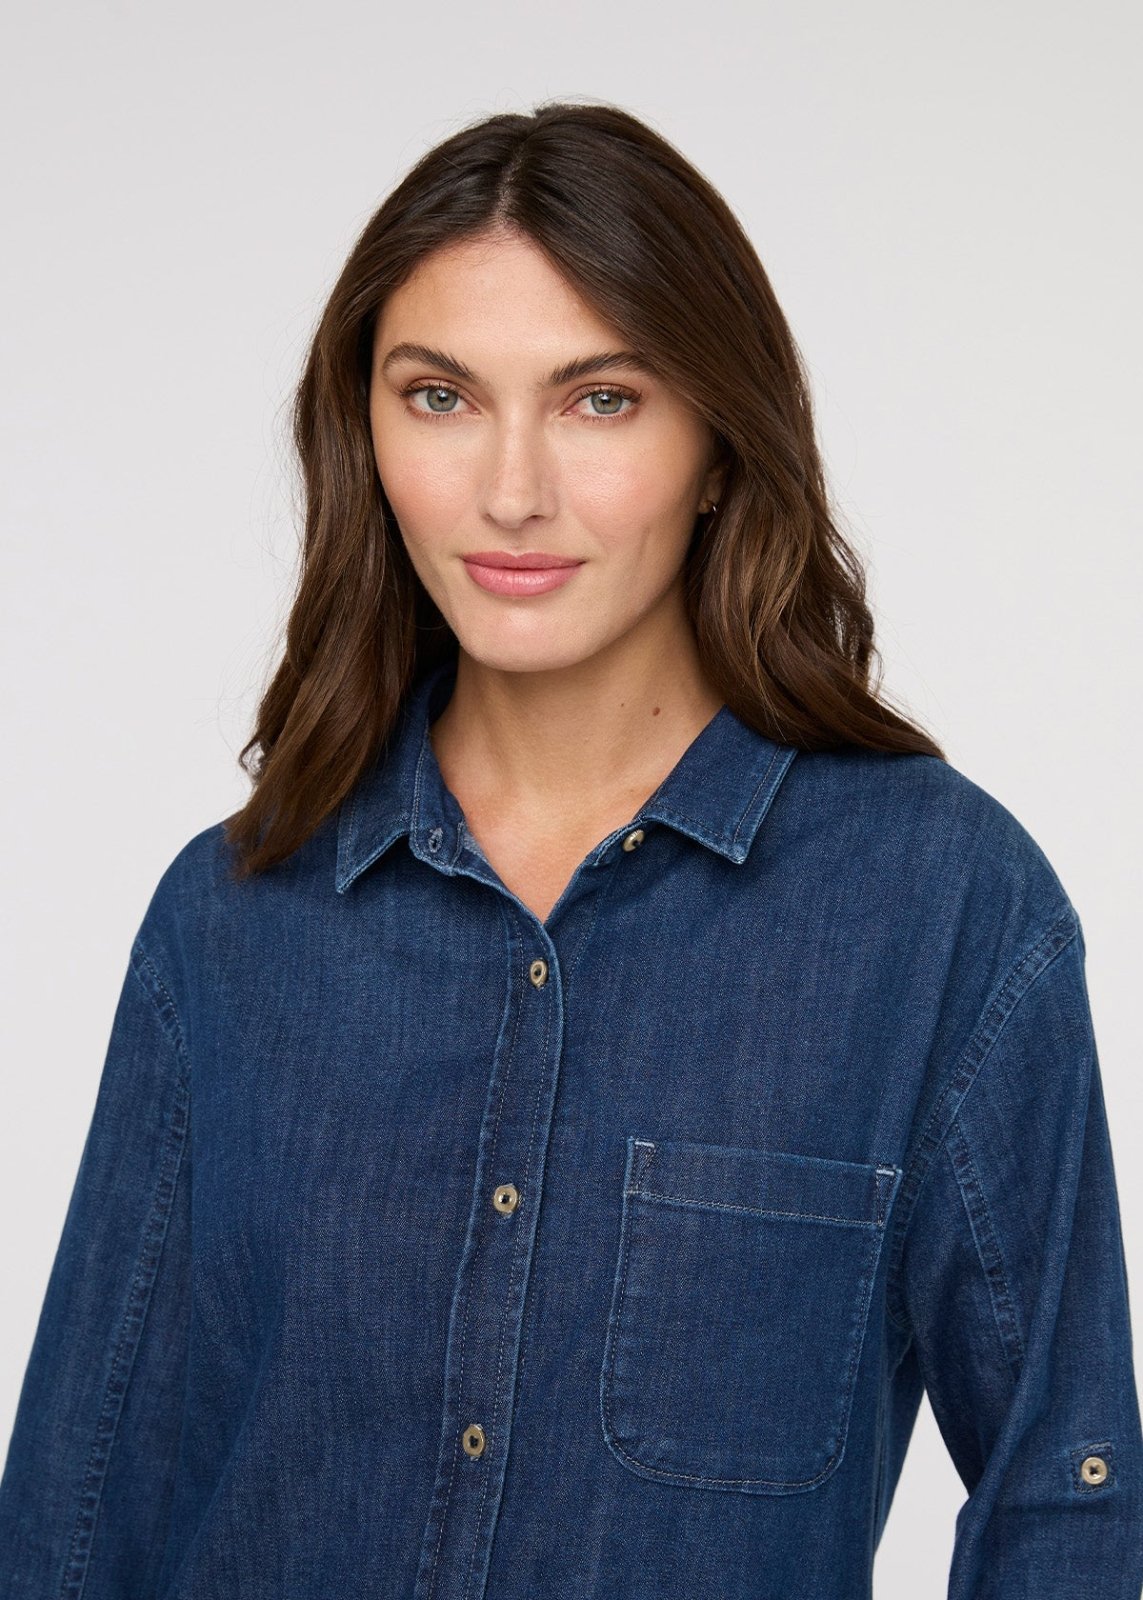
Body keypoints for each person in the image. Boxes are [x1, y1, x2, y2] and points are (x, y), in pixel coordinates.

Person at [0, 100, 1139, 1600]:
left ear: (720, 447)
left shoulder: (941, 907)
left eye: (601, 400)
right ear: (363, 433)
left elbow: (1070, 1497)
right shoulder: (232, 917)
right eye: (440, 397)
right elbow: (78, 1514)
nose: (512, 491)